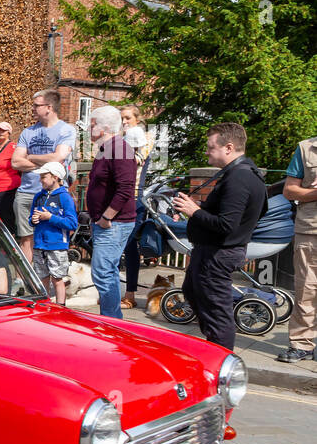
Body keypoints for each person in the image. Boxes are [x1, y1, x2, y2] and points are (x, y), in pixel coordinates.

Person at [172, 122, 267, 351]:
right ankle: (214, 351)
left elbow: (226, 224)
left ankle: (221, 363)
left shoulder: (240, 178)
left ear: (229, 147)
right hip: (212, 251)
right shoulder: (241, 174)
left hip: (218, 253)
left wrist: (194, 211)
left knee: (217, 314)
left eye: (210, 147)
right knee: (193, 292)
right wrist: (196, 210)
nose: (206, 151)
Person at [85, 105, 138, 319]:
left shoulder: (120, 149)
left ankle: (112, 322)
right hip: (107, 222)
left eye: (91, 125)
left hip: (114, 223)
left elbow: (126, 187)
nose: (88, 130)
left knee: (103, 273)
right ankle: (112, 319)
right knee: (106, 272)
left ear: (104, 128)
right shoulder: (106, 149)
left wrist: (107, 216)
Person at [12, 89, 76, 259]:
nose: (32, 108)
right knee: (25, 238)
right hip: (26, 192)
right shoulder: (28, 132)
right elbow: (15, 162)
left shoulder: (66, 130)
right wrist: (47, 165)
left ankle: (48, 280)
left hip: (53, 193)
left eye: (36, 105)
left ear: (48, 107)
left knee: (52, 238)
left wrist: (30, 156)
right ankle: (28, 280)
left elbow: (59, 157)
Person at [280, 134, 317, 363]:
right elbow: (290, 190)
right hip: (310, 230)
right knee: (306, 289)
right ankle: (302, 345)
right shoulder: (305, 148)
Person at [120, 106, 155, 309]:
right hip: (118, 197)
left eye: (128, 118)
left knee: (129, 244)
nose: (124, 122)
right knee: (115, 246)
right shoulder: (121, 140)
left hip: (134, 197)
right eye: (121, 118)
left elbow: (134, 161)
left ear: (137, 119)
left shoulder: (145, 138)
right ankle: (114, 290)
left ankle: (130, 294)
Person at [30, 160, 78, 305]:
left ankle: (60, 306)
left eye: (44, 176)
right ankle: (43, 305)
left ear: (55, 177)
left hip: (56, 245)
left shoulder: (64, 197)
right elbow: (31, 219)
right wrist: (33, 220)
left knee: (57, 279)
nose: (41, 180)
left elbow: (72, 223)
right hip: (39, 244)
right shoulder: (38, 197)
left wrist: (50, 217)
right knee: (41, 278)